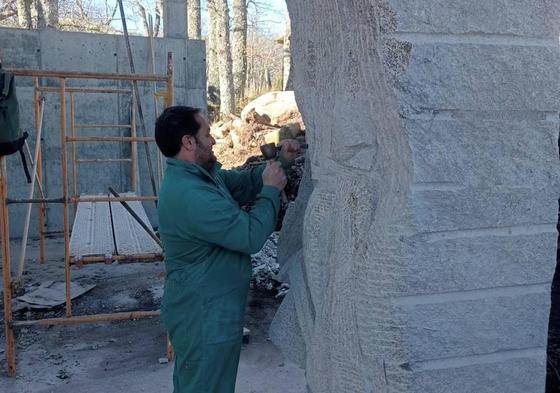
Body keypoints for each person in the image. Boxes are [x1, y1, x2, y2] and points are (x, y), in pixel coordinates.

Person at [154, 106, 300, 393]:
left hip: (212, 310)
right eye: (207, 134)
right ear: (188, 142)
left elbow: (243, 183)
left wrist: (280, 163)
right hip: (202, 316)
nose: (214, 140)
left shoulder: (202, 177)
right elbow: (249, 235)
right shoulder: (190, 194)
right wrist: (271, 191)